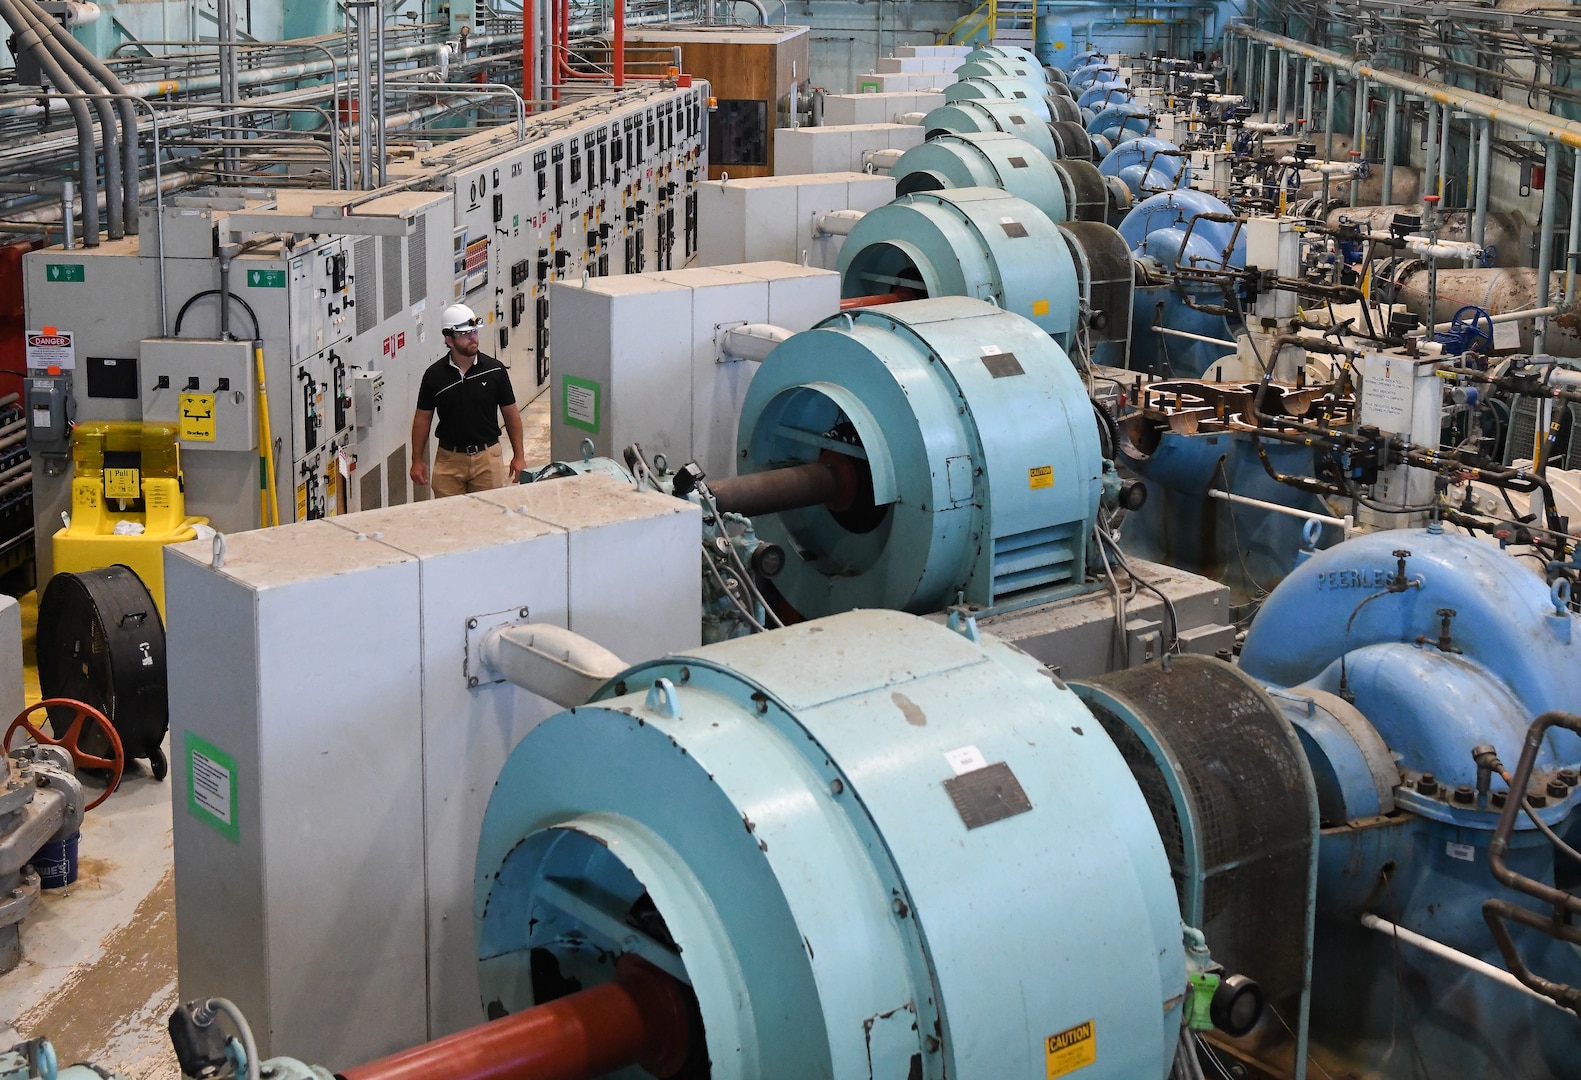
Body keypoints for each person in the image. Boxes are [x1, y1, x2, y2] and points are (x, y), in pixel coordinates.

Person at [410, 303, 526, 496]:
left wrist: (519, 456)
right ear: (449, 339)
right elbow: (422, 419)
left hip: (488, 459)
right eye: (465, 334)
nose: (473, 338)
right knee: (449, 519)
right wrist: (417, 460)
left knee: (490, 519)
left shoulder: (495, 370)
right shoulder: (434, 376)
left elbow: (511, 414)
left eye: (474, 332)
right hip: (449, 461)